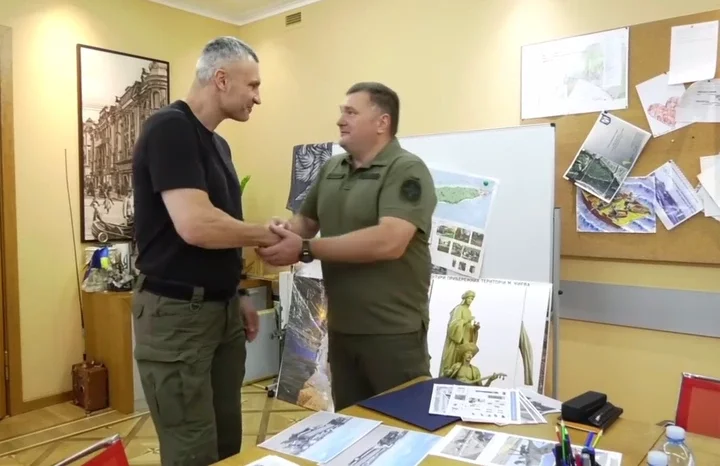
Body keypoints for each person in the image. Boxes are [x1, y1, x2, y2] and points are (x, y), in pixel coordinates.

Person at [131, 37, 279, 466]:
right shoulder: (169, 128)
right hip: (178, 315)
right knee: (192, 447)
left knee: (226, 438)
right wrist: (266, 235)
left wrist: (235, 293)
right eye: (252, 85)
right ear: (221, 79)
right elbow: (196, 225)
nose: (258, 97)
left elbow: (220, 230)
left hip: (220, 311)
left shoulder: (218, 145)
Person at [257, 82, 438, 410]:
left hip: (393, 336)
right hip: (342, 332)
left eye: (351, 112)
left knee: (406, 430)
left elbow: (389, 241)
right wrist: (274, 236)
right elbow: (303, 225)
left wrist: (306, 248)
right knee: (351, 429)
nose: (340, 120)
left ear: (382, 122)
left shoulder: (406, 170)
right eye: (342, 112)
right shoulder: (331, 169)